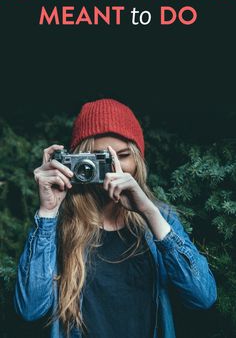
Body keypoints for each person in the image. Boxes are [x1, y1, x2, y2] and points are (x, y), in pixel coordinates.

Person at [14, 98, 217, 338]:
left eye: (122, 155)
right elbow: (30, 310)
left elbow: (203, 297)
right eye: (99, 159)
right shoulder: (57, 224)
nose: (113, 168)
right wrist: (47, 212)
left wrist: (149, 212)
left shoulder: (160, 219)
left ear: (138, 160)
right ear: (76, 162)